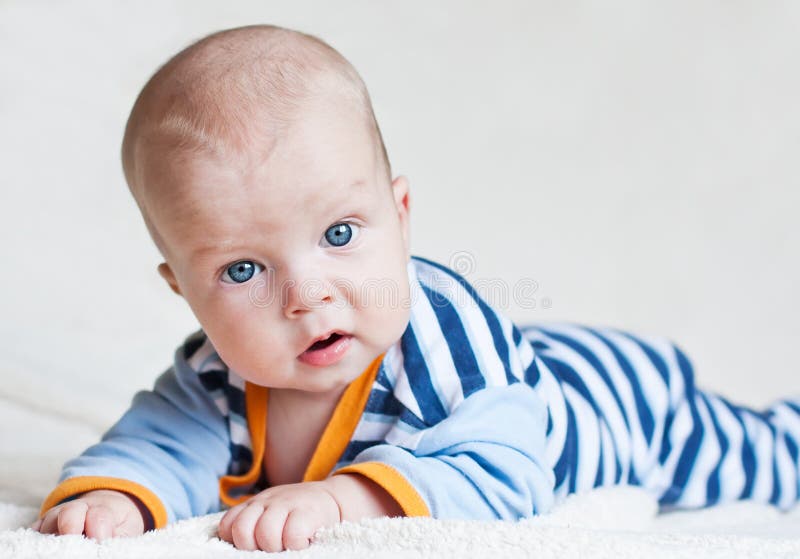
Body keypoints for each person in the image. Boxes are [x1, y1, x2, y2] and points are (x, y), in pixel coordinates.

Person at [33, 24, 800, 552]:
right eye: (242, 269)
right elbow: (161, 446)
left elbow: (508, 472)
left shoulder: (440, 337)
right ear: (183, 290)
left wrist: (342, 500)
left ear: (399, 217)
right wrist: (118, 498)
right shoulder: (214, 374)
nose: (307, 296)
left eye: (339, 235)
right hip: (550, 372)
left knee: (760, 459)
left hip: (619, 407)